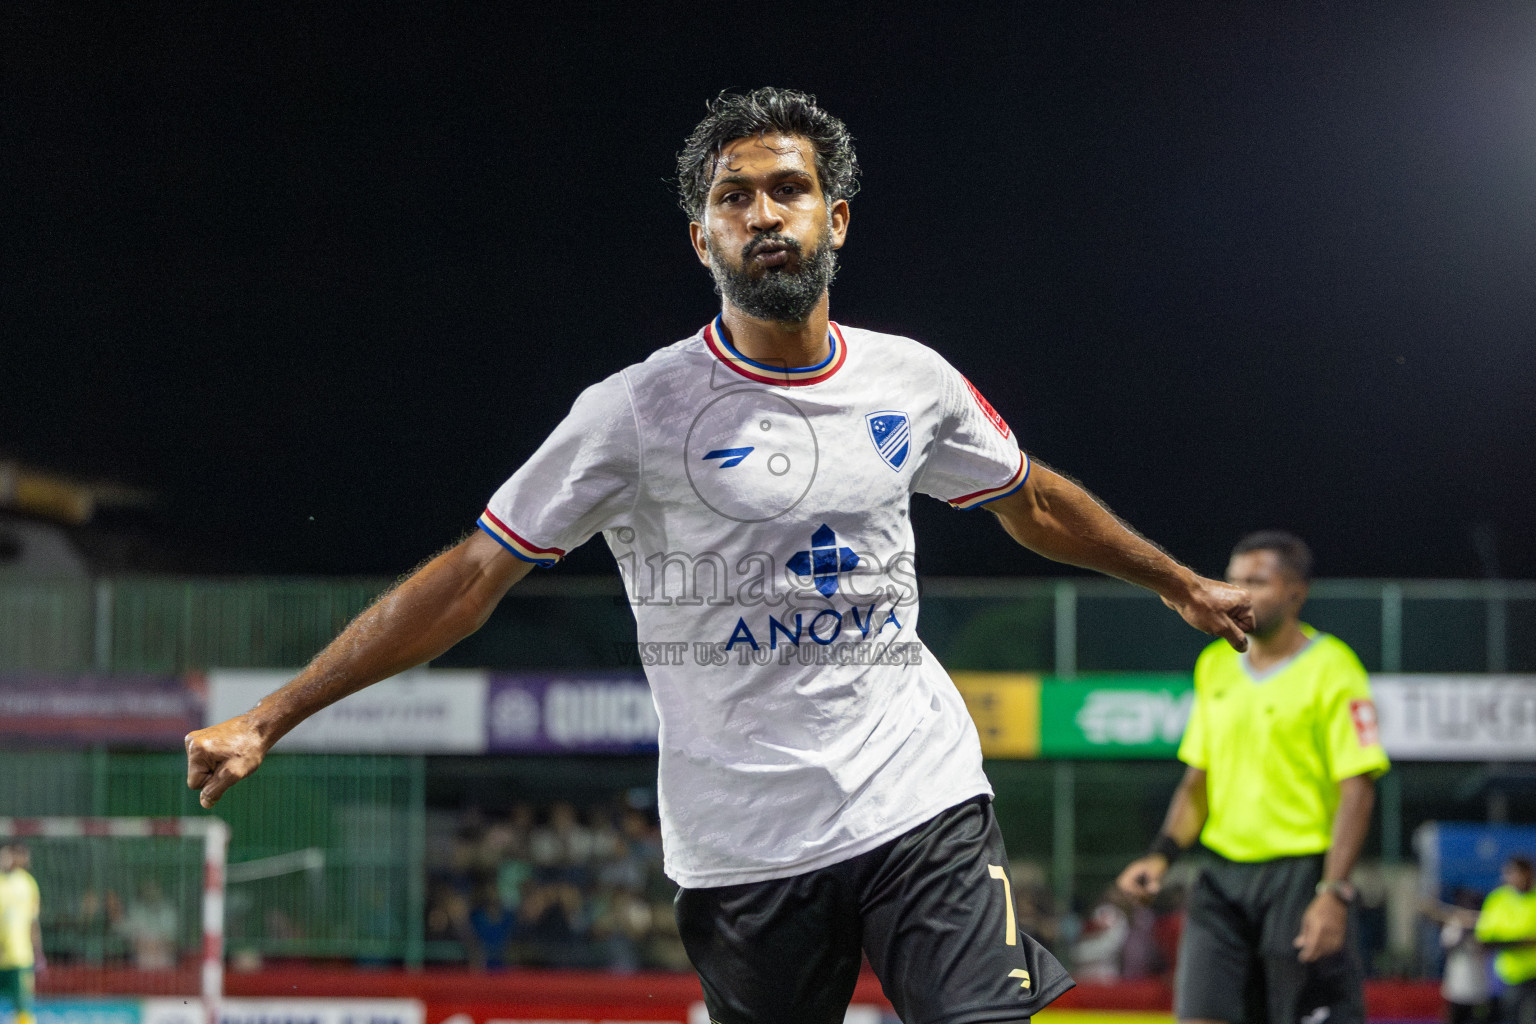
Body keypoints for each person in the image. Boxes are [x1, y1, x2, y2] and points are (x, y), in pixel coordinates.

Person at [185, 87, 1254, 1024]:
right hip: (743, 841)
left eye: (786, 190)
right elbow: (472, 577)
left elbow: (1031, 501)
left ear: (834, 218)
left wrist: (1175, 581)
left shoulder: (912, 380)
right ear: (702, 241)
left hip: (917, 793)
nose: (761, 215)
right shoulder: (634, 412)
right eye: (733, 199)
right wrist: (271, 714)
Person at [1116, 531, 1390, 1024]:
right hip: (1221, 879)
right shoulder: (1214, 665)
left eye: (1257, 582)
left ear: (1295, 593)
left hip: (1300, 876)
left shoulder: (1335, 668)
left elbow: (1358, 788)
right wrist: (1159, 857)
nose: (1239, 593)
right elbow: (1196, 782)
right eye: (1234, 579)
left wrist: (1333, 893)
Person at [1475, 855, 1536, 1024]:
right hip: (1508, 977)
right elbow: (1485, 940)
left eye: (1518, 873)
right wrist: (1521, 942)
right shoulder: (1498, 899)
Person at [0, 844, 42, 1024]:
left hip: (20, 957)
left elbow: (33, 921)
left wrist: (38, 952)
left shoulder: (28, 883)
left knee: (23, 1009)